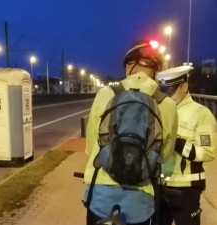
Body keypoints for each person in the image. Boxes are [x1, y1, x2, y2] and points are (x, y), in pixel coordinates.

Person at [83, 40, 178, 225]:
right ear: (156, 72)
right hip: (141, 201)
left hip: (101, 196)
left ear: (128, 67)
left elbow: (90, 147)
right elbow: (165, 155)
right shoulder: (167, 104)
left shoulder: (105, 94)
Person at [158, 65, 217, 225]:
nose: (166, 96)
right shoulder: (158, 111)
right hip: (159, 184)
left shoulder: (202, 114)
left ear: (184, 86)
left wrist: (177, 143)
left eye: (170, 91)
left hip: (186, 189)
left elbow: (208, 152)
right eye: (162, 91)